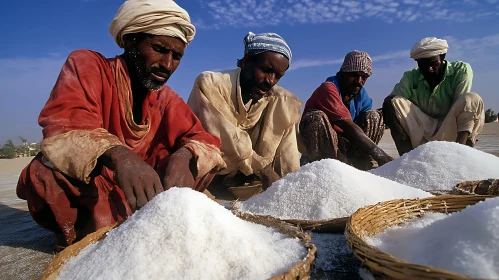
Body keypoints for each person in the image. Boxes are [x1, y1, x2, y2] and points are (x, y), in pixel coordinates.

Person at [16, 0, 226, 249]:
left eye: (177, 56)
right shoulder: (87, 65)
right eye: (159, 49)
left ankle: (134, 224)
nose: (167, 65)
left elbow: (205, 141)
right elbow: (64, 129)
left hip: (147, 193)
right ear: (129, 41)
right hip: (95, 189)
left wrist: (184, 156)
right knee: (44, 174)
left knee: (200, 164)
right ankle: (81, 235)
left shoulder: (166, 98)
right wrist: (120, 156)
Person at [187, 32, 302, 190]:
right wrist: (265, 170)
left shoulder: (280, 100)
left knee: (284, 103)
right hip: (208, 175)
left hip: (247, 181)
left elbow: (288, 154)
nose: (270, 80)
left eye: (278, 76)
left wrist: (291, 186)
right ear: (247, 61)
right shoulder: (212, 84)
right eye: (266, 70)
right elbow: (227, 137)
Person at [383, 37, 484, 155]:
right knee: (391, 103)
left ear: (443, 57)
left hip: (451, 130)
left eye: (434, 63)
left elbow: (461, 106)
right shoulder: (411, 76)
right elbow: (392, 104)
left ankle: (460, 154)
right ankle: (407, 158)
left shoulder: (460, 70)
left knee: (472, 99)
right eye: (423, 66)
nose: (429, 69)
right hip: (423, 133)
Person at [300, 50, 393, 170]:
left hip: (346, 144)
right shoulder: (328, 88)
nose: (359, 81)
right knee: (316, 118)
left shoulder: (360, 94)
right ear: (342, 72)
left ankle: (360, 161)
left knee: (374, 116)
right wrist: (381, 156)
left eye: (364, 77)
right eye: (354, 75)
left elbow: (363, 126)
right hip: (323, 146)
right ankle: (326, 167)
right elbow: (346, 124)